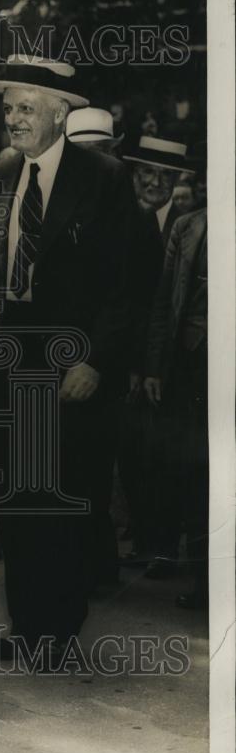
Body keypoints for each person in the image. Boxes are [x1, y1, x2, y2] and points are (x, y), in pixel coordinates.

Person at [0, 55, 138, 663]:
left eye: (25, 108)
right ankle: (27, 623)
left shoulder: (105, 179)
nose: (12, 119)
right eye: (8, 108)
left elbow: (128, 284)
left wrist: (97, 362)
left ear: (61, 114)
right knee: (17, 498)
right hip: (10, 362)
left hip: (71, 365)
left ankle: (59, 630)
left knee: (65, 495)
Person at [118, 136, 195, 578]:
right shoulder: (124, 220)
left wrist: (154, 365)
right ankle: (147, 542)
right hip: (128, 362)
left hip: (169, 365)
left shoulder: (187, 226)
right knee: (133, 457)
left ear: (178, 180)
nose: (153, 181)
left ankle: (164, 548)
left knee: (166, 457)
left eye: (164, 175)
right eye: (145, 172)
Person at [144, 206, 208, 609]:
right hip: (192, 364)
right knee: (195, 472)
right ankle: (207, 585)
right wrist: (155, 367)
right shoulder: (189, 226)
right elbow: (164, 302)